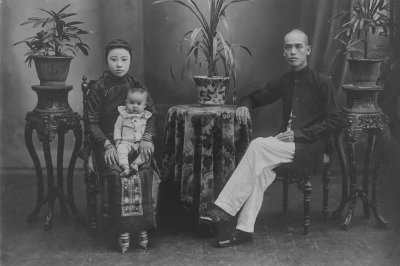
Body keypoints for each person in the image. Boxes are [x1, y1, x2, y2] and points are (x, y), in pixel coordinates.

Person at [200, 29, 342, 248]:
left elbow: (335, 120)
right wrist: (245, 106)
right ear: (283, 52)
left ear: (308, 50)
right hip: (285, 146)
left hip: (311, 148)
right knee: (260, 172)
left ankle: (223, 208)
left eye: (298, 46)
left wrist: (299, 134)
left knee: (257, 145)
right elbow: (257, 96)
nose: (293, 51)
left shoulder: (322, 82)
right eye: (288, 47)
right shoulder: (286, 80)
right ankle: (244, 229)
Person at [87, 39, 159, 253]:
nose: (119, 64)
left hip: (137, 142)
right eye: (114, 59)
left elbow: (152, 113)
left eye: (124, 59)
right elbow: (90, 122)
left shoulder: (136, 84)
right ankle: (123, 230)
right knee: (117, 174)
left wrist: (147, 137)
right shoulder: (99, 88)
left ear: (130, 61)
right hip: (109, 143)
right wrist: (107, 145)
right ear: (106, 60)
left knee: (144, 172)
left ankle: (143, 228)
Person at [114, 87, 152, 176]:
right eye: (131, 103)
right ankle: (125, 167)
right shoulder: (123, 116)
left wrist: (146, 140)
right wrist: (117, 139)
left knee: (148, 151)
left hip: (140, 143)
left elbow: (147, 129)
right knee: (121, 149)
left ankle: (136, 164)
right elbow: (117, 128)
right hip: (126, 142)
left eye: (139, 103)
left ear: (145, 105)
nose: (135, 106)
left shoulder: (145, 117)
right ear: (126, 103)